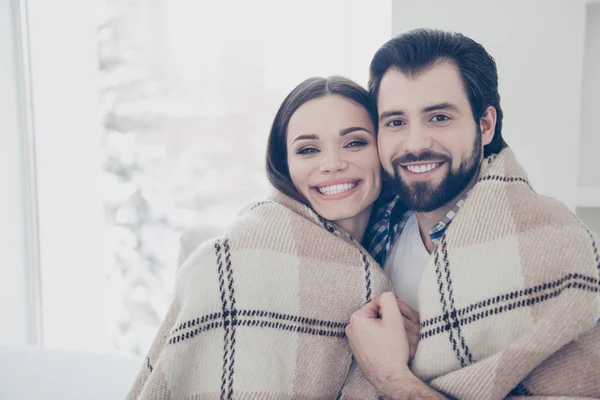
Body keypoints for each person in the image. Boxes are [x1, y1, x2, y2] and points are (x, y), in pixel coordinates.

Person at [346, 29, 600, 400]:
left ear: (485, 125)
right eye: (396, 122)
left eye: (439, 118)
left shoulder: (553, 245)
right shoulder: (376, 224)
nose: (415, 143)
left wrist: (391, 376)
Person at [127, 76, 413, 399]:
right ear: (284, 165)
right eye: (308, 149)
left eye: (354, 143)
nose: (332, 164)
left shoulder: (403, 242)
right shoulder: (245, 252)